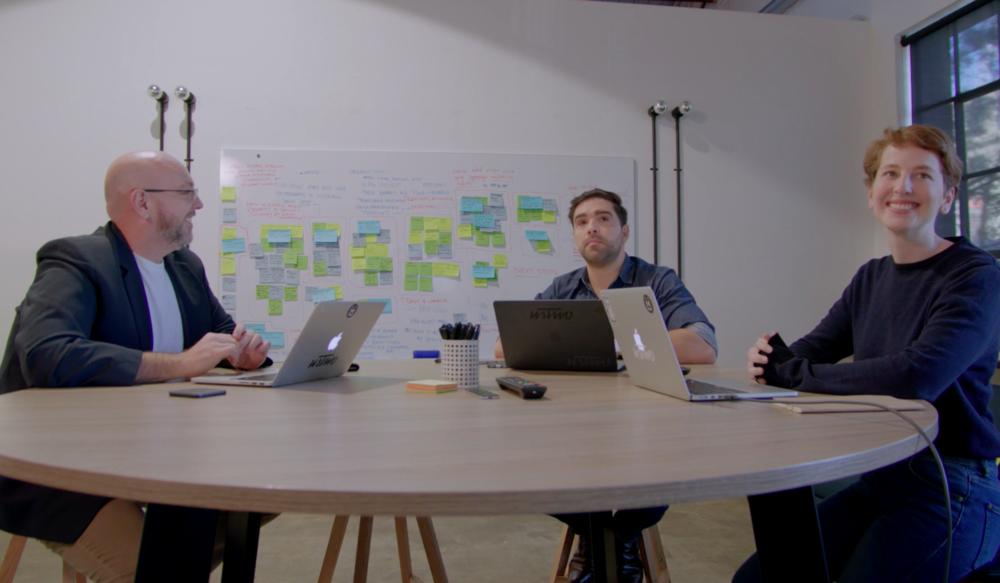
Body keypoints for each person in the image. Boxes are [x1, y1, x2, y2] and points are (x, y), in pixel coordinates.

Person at [734, 125, 1000, 583]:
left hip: (952, 486)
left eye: (922, 175)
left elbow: (916, 376)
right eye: (890, 173)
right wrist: (770, 357)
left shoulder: (975, 275)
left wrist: (793, 372)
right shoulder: (871, 277)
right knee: (757, 578)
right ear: (871, 192)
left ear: (949, 196)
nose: (903, 187)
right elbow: (813, 350)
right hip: (879, 474)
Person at [0, 151, 271, 583]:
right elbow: (46, 354)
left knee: (261, 493)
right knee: (150, 567)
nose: (198, 205)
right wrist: (179, 363)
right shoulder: (74, 260)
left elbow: (220, 334)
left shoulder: (185, 266)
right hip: (65, 470)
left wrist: (243, 355)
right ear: (142, 202)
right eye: (187, 193)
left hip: (157, 455)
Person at [497, 188, 717, 582]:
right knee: (523, 468)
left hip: (646, 427)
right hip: (574, 426)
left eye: (602, 219)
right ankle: (608, 541)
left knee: (664, 469)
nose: (591, 228)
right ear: (575, 236)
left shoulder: (657, 281)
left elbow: (702, 344)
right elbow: (506, 346)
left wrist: (614, 342)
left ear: (624, 230)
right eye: (581, 222)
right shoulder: (563, 288)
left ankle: (612, 540)